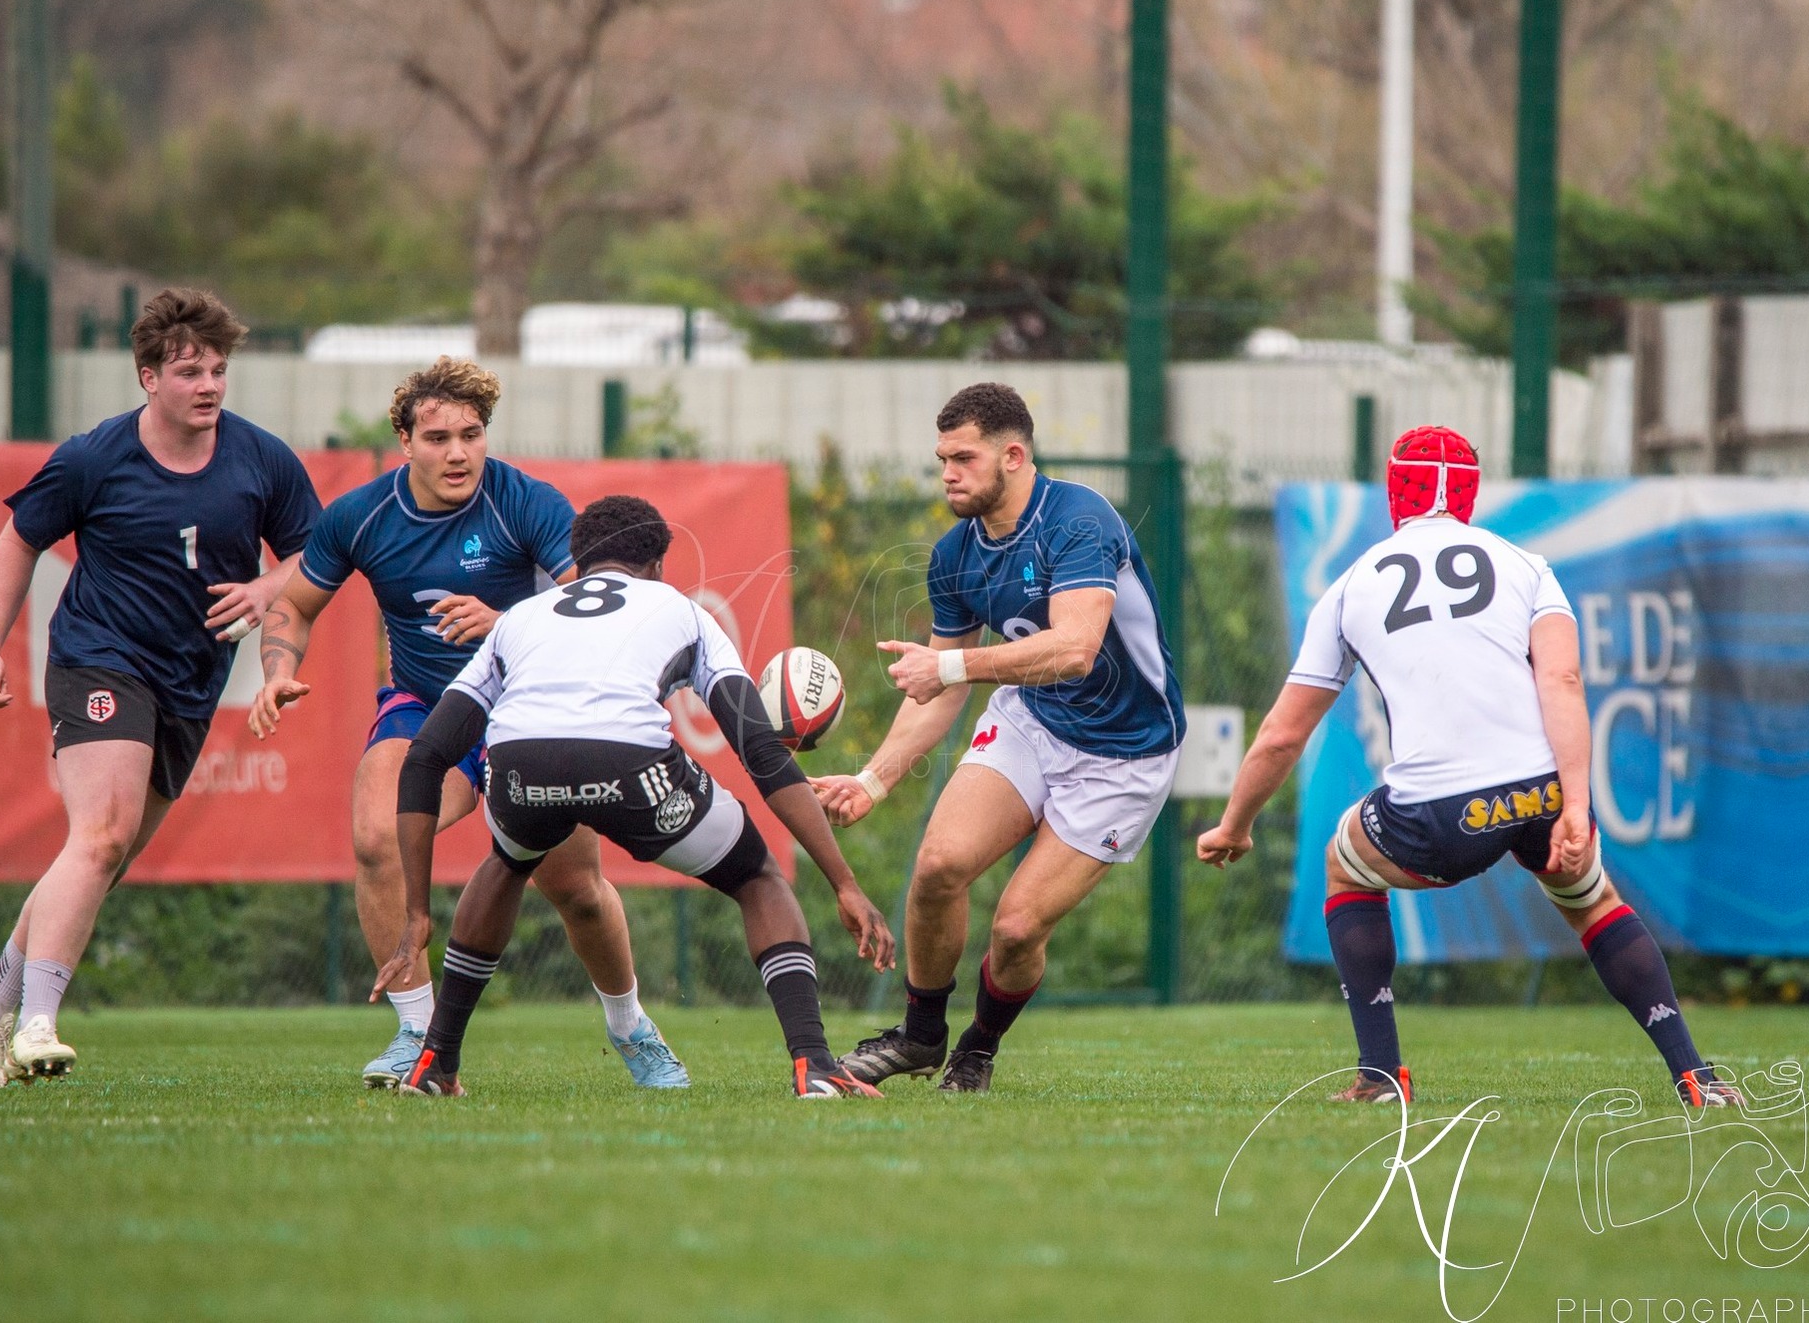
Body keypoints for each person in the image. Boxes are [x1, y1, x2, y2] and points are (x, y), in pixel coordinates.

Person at [1197, 425, 1739, 1107]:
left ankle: (1381, 1075)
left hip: (1440, 815)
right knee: (1593, 899)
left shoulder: (1352, 584)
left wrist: (1234, 825)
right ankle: (1696, 1074)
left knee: (1344, 861)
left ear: (1397, 489)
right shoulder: (1526, 566)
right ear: (1470, 493)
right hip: (1538, 794)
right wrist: (1575, 804)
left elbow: (1281, 736)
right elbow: (1564, 683)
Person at [247, 357, 686, 1090]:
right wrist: (275, 670)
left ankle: (630, 1025)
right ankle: (420, 1036)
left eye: (472, 434)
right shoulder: (360, 516)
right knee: (376, 832)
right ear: (404, 440)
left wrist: (504, 621)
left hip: (528, 708)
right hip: (427, 707)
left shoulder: (523, 502)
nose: (457, 452)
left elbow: (600, 601)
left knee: (575, 889)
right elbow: (291, 606)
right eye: (438, 436)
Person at [373, 494, 896, 1099]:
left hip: (517, 765)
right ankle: (814, 1063)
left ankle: (437, 1059)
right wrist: (844, 883)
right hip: (629, 766)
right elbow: (760, 752)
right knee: (757, 879)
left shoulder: (522, 617)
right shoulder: (680, 610)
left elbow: (425, 757)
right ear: (656, 564)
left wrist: (416, 914)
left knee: (510, 861)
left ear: (576, 560)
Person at [0, 288, 320, 1086]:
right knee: (102, 835)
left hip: (190, 683)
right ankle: (39, 1022)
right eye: (190, 371)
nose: (210, 385)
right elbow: (18, 542)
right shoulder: (94, 457)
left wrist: (266, 590)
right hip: (99, 659)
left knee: (97, 857)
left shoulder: (260, 458)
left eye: (219, 369)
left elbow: (315, 555)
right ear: (148, 376)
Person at [812, 383, 1186, 1093]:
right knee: (940, 863)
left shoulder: (1079, 521)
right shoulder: (956, 555)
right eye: (941, 459)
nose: (948, 473)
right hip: (1035, 719)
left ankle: (977, 1049)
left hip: (1126, 752)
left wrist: (951, 663)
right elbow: (938, 688)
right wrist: (873, 779)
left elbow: (1074, 648)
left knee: (1016, 929)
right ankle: (921, 1037)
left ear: (1013, 455)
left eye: (964, 457)